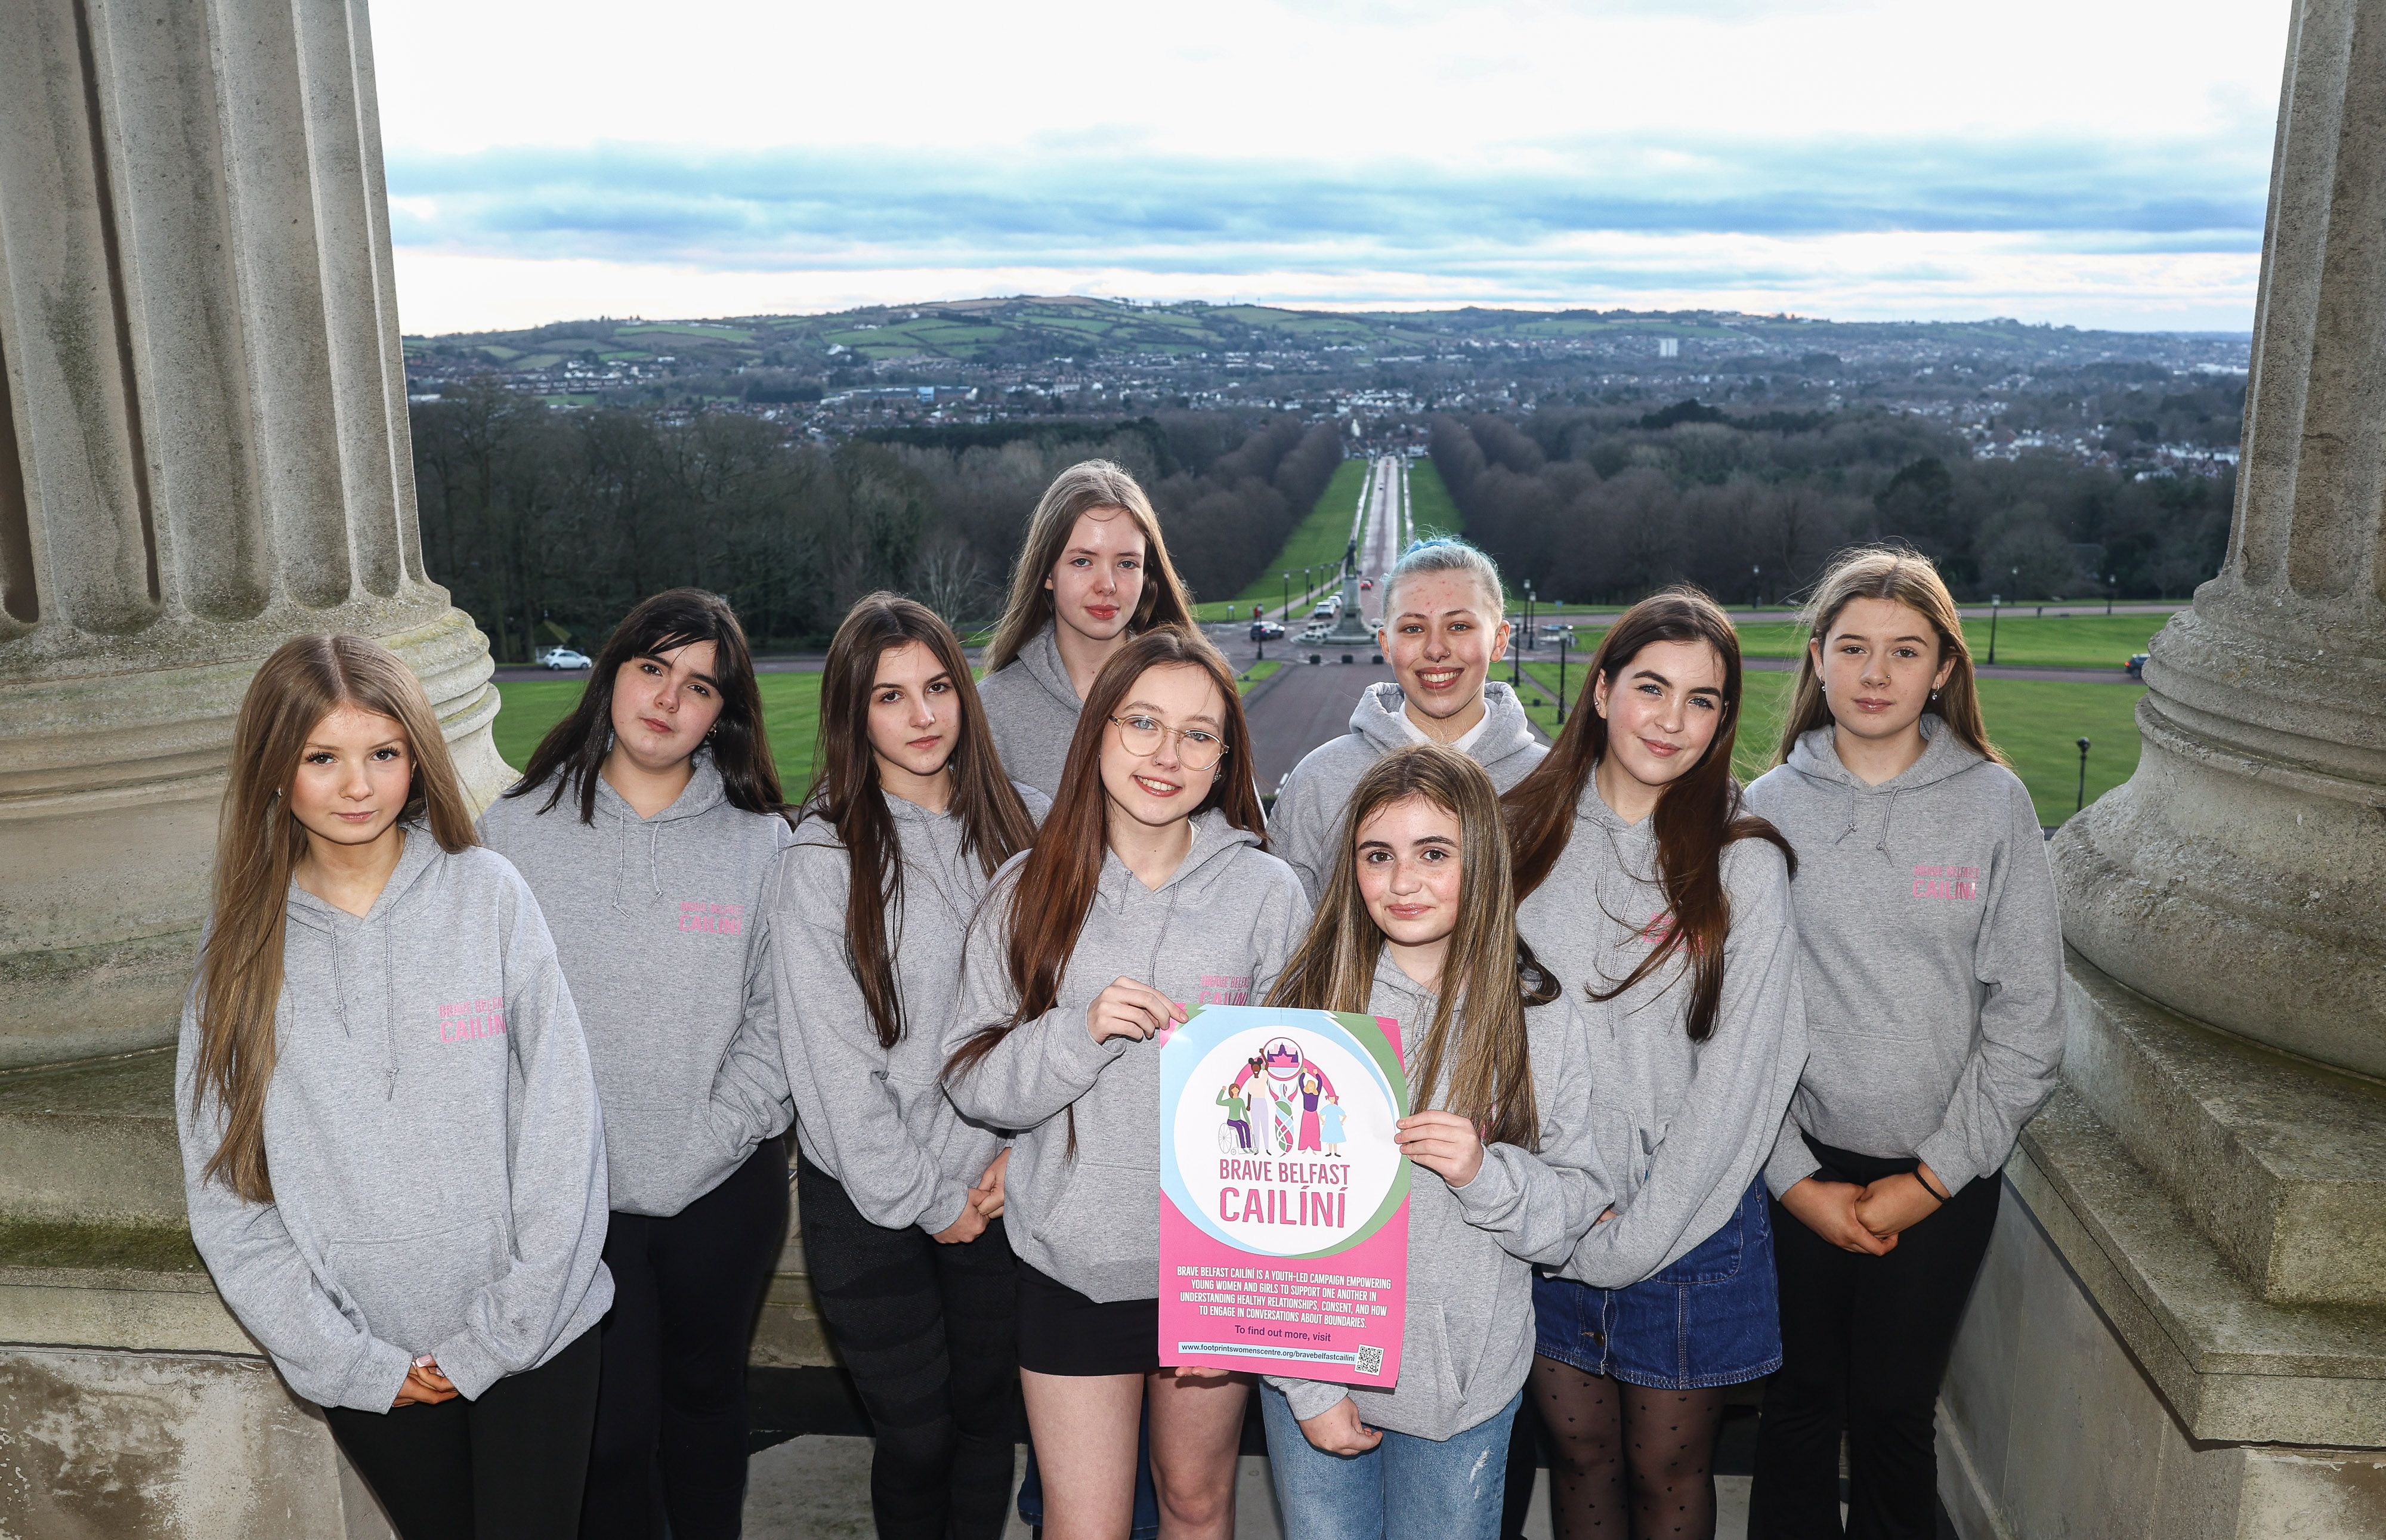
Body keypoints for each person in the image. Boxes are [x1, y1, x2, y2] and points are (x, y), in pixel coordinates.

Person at [176, 635, 611, 1540]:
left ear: (416, 756)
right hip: (371, 1359)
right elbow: (227, 1197)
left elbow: (564, 1126)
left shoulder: (489, 895)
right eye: (322, 758)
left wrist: (500, 1330)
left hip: (535, 1331)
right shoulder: (237, 955)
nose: (358, 785)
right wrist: (351, 1361)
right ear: (274, 768)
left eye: (383, 752)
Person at [943, 627, 1308, 1540]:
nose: (1165, 753)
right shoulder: (1028, 889)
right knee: (1086, 1521)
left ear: (1227, 754)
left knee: (1196, 1503)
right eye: (1142, 722)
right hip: (1073, 1263)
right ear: (1097, 731)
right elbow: (973, 1078)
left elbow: (1310, 1102)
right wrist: (1080, 1030)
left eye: (1197, 733)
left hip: (1217, 1270)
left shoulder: (1269, 895)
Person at [1745, 549, 2063, 1540]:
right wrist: (1795, 1179)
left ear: (1944, 671)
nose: (1876, 673)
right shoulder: (1765, 808)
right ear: (1818, 661)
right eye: (1853, 648)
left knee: (1890, 1413)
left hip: (1944, 1174)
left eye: (1904, 651)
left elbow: (2030, 1025)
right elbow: (1735, 1025)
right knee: (1796, 1408)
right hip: (1795, 1170)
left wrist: (1928, 1180)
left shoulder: (1993, 807)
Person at [478, 588, 796, 1540]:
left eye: (698, 685)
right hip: (572, 1198)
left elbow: (778, 1025)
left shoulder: (761, 841)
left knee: (704, 1414)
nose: (667, 697)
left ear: (722, 714)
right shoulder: (512, 833)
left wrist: (703, 1141)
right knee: (608, 1441)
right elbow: (491, 1031)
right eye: (652, 667)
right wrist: (561, 1161)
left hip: (720, 1189)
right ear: (613, 673)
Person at [1503, 589, 1807, 1540]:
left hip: (1691, 1225)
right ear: (1600, 691)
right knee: (1581, 1459)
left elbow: (1747, 1078)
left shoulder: (1741, 860)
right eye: (1650, 687)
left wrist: (1637, 1237)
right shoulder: (1515, 834)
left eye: (1703, 699)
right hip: (1544, 1219)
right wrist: (1552, 1216)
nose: (1673, 721)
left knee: (1665, 1469)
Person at [1260, 745, 1607, 1540]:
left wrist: (1486, 1174)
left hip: (1464, 1390)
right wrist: (1306, 1386)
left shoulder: (1537, 1017)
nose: (1404, 881)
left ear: (1481, 860)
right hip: (1313, 1373)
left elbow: (1574, 1203)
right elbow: (1258, 1226)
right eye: (1378, 855)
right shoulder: (1300, 1013)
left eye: (1435, 853)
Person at [1269, 537, 1544, 901]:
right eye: (1413, 628)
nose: (1435, 649)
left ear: (1499, 639)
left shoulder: (1551, 783)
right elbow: (1283, 940)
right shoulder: (1318, 780)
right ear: (1386, 643)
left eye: (1459, 626)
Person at [976, 460, 1201, 799]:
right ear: (1047, 573)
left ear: (1147, 574)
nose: (1107, 585)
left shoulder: (1194, 694)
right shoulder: (992, 710)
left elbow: (1240, 832)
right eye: (1083, 561)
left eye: (1127, 564)